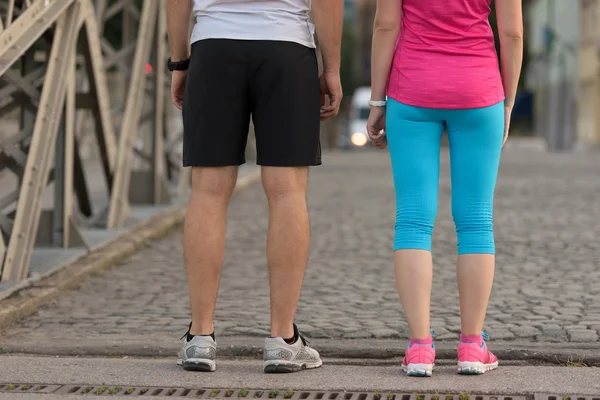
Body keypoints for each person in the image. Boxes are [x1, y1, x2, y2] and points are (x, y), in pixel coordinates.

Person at [165, 0, 343, 373]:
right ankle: (282, 340)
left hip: (214, 48)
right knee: (287, 191)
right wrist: (332, 68)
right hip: (287, 49)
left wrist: (179, 61)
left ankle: (200, 338)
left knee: (208, 192)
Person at [367, 0, 523, 377]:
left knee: (413, 220)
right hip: (479, 90)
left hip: (412, 90)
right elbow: (512, 33)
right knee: (475, 221)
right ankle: (472, 346)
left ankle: (420, 348)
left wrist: (376, 101)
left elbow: (386, 26)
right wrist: (508, 104)